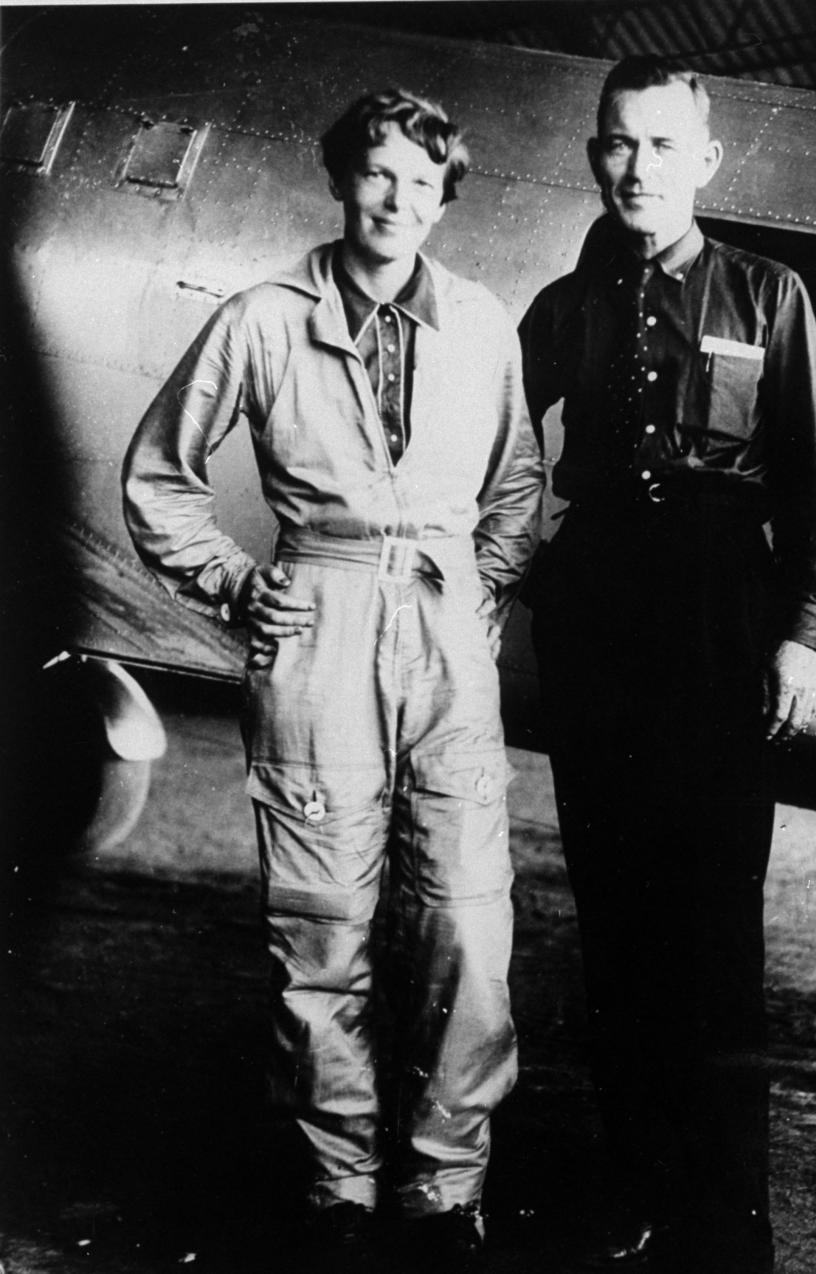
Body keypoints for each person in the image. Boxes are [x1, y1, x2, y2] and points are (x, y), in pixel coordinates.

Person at [123, 88, 543, 1274]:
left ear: (445, 191)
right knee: (322, 922)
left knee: (468, 919)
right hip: (316, 624)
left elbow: (517, 490)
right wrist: (236, 579)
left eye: (421, 179)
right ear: (340, 179)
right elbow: (160, 477)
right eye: (375, 174)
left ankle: (446, 1181)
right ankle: (338, 1184)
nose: (396, 200)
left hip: (445, 637)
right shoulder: (262, 319)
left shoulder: (482, 322)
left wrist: (475, 592)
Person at [519, 56, 816, 1274]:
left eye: (660, 146)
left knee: (714, 913)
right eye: (615, 144)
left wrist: (798, 632)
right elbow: (497, 445)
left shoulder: (769, 297)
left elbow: (804, 482)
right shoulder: (563, 306)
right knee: (613, 911)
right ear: (594, 154)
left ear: (706, 161)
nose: (635, 168)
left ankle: (729, 1209)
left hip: (717, 607)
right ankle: (633, 1182)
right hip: (598, 603)